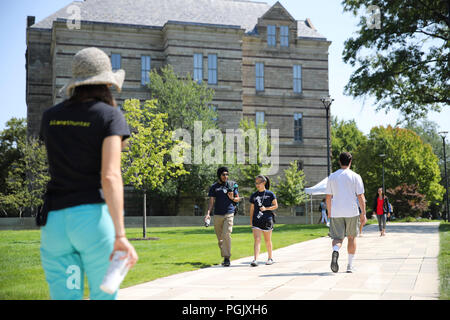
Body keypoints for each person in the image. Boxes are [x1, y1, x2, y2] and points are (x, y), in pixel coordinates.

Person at [37, 47, 138, 300]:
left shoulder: (50, 117)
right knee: (102, 296)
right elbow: (110, 176)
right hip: (92, 221)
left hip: (55, 222)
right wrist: (121, 235)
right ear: (106, 83)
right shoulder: (109, 116)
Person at [326, 152, 366, 273]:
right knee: (351, 237)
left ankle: (336, 251)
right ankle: (349, 266)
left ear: (339, 161)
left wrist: (329, 213)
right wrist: (363, 213)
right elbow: (360, 196)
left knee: (337, 238)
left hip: (336, 212)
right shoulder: (355, 176)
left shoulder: (332, 177)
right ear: (350, 162)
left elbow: (328, 197)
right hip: (351, 211)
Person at [204, 167, 240, 267]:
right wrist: (208, 214)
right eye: (223, 174)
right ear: (219, 175)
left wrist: (232, 197)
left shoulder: (232, 185)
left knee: (226, 234)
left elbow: (238, 199)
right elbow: (211, 202)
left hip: (229, 213)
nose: (226, 176)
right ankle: (225, 256)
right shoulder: (214, 187)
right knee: (220, 239)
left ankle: (227, 258)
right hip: (217, 214)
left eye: (227, 174)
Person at [249, 175, 278, 266]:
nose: (257, 185)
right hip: (256, 221)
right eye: (256, 183)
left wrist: (266, 208)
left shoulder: (270, 194)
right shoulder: (254, 195)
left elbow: (276, 206)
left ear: (263, 183)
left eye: (258, 183)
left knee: (267, 240)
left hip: (267, 220)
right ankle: (255, 260)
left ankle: (270, 258)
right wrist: (251, 221)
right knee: (257, 239)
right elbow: (252, 209)